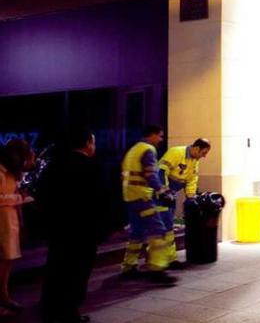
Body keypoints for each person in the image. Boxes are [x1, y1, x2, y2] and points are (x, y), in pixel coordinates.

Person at [40, 128, 110, 323]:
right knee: (77, 272)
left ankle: (49, 307)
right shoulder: (92, 167)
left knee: (56, 267)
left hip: (59, 230)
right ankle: (69, 311)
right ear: (88, 143)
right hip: (84, 231)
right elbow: (102, 200)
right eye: (93, 142)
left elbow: (43, 196)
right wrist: (107, 227)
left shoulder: (54, 165)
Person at [119, 125, 176, 285]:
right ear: (151, 135)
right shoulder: (148, 150)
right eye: (160, 136)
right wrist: (163, 191)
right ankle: (157, 270)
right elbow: (151, 175)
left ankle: (129, 267)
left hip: (130, 197)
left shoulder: (132, 150)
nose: (161, 139)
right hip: (142, 197)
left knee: (137, 232)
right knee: (158, 230)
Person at [158, 138, 211, 268]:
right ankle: (163, 259)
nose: (204, 156)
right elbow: (161, 171)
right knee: (164, 226)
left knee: (167, 226)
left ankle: (167, 259)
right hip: (161, 195)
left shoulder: (194, 161)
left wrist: (191, 197)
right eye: (204, 152)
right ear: (196, 148)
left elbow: (192, 179)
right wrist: (164, 191)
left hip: (171, 194)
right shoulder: (176, 153)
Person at [0, 139, 33, 316]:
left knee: (7, 263)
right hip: (2, 224)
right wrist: (19, 199)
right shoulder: (1, 172)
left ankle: (4, 297)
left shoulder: (12, 173)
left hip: (9, 223)